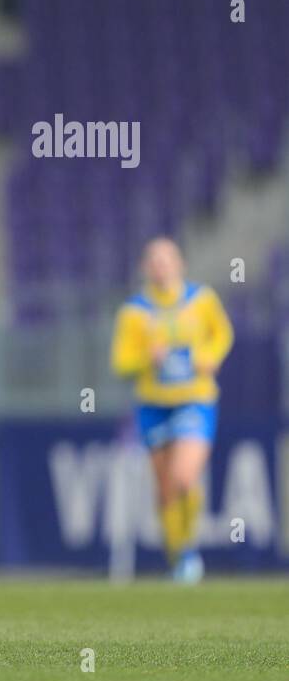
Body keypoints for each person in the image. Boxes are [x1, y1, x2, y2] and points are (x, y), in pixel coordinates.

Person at [111, 237, 233, 584]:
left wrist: (210, 356)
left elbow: (223, 333)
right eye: (154, 260)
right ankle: (178, 556)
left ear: (180, 264)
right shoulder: (134, 312)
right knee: (164, 488)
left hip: (195, 399)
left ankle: (189, 551)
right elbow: (121, 363)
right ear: (145, 268)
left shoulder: (202, 300)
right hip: (153, 405)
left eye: (167, 259)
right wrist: (145, 359)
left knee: (183, 477)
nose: (161, 266)